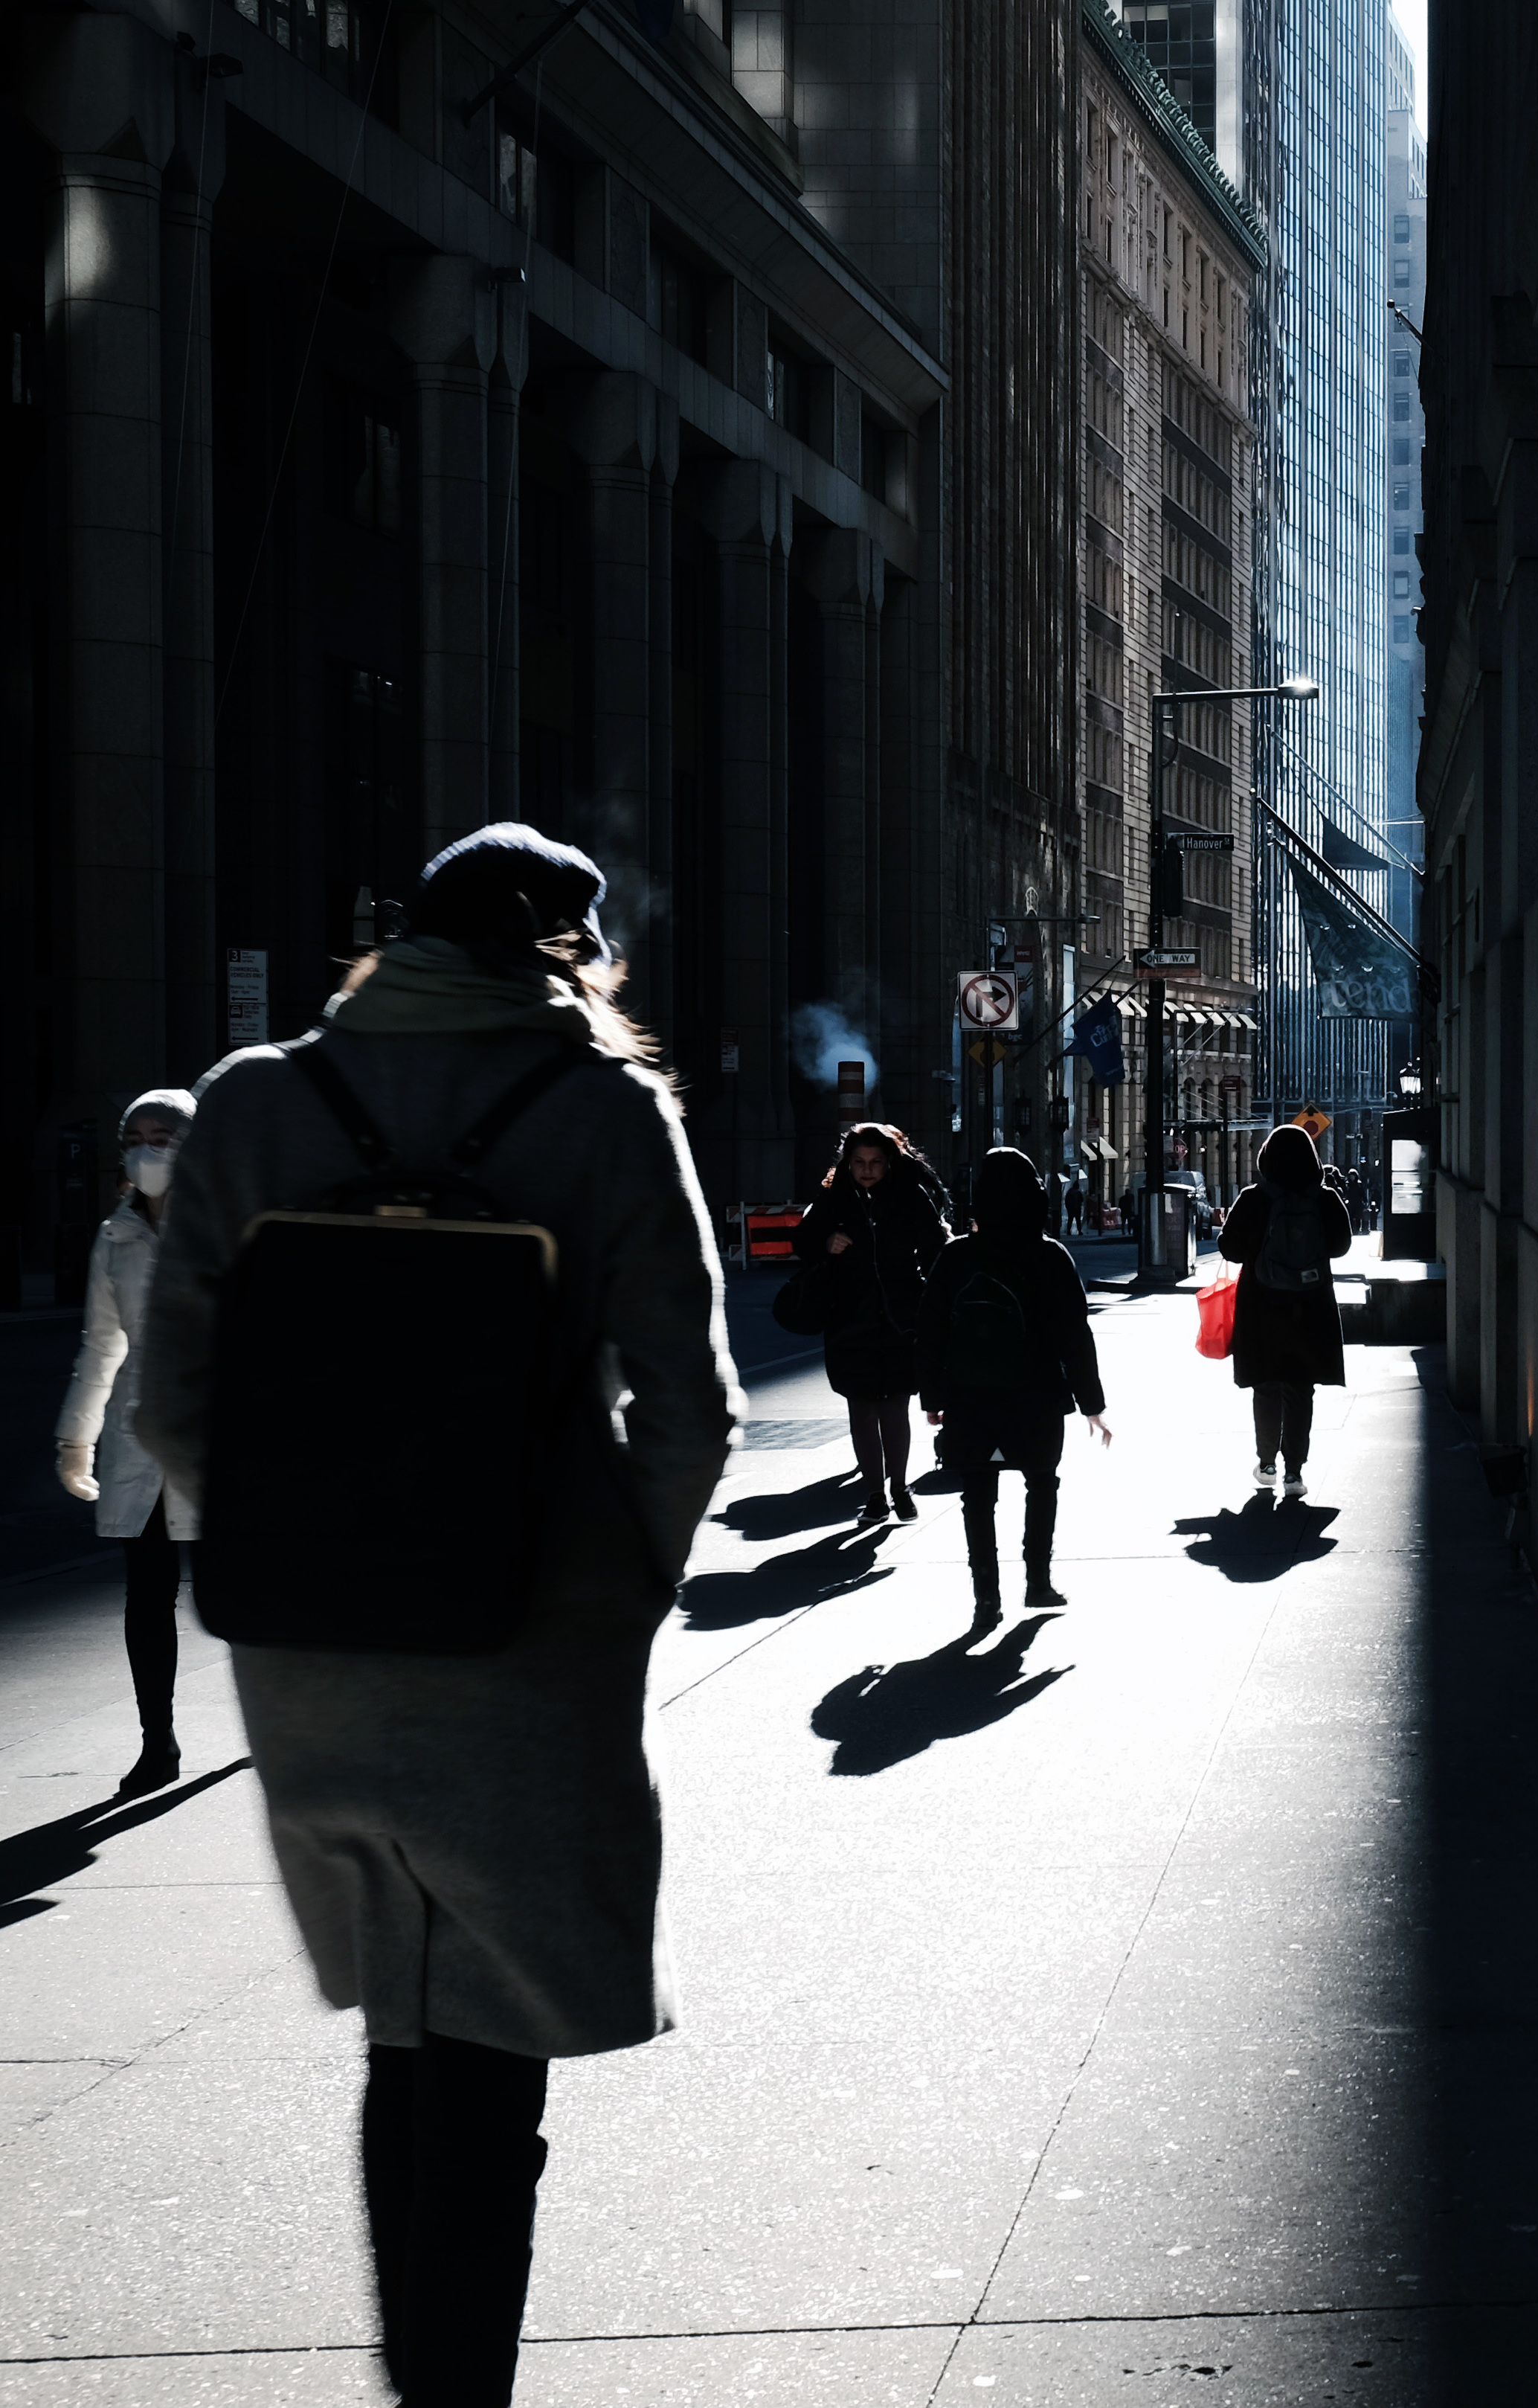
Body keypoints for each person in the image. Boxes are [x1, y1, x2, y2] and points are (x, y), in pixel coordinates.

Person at [134, 823, 738, 2408]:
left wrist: (287, 1546)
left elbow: (173, 1395)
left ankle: (427, 2379)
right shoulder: (601, 1109)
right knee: (491, 2028)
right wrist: (623, 1585)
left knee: (400, 2017)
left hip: (311, 1644)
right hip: (528, 1630)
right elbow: (691, 1404)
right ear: (567, 954)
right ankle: (458, 2388)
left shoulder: (257, 1098)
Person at [52, 1087, 205, 1794]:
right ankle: (157, 1741)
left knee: (238, 1592)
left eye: (163, 1138)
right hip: (140, 1432)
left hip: (217, 1427)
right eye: (136, 1138)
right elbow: (100, 1345)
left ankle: (271, 1724)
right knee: (148, 1594)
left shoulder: (228, 1222)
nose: (148, 1151)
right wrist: (75, 1438)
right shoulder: (115, 1235)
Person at [918, 1147, 1110, 1622]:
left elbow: (931, 1330)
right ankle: (1038, 1582)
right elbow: (1075, 1335)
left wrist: (933, 1396)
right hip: (1036, 1393)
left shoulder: (956, 1256)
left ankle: (986, 1596)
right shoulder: (1050, 1256)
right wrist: (1092, 1403)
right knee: (1041, 1482)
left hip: (970, 1392)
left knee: (977, 1492)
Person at [795, 1123, 950, 1524]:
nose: (867, 1170)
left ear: (889, 1163)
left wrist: (931, 1297)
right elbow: (803, 1241)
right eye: (859, 1162)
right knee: (861, 1410)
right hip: (849, 1318)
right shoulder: (834, 1197)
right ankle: (875, 1495)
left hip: (900, 1318)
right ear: (848, 1163)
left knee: (895, 1408)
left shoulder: (909, 1194)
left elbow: (936, 1249)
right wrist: (827, 1243)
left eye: (875, 1162)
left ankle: (899, 1488)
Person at [1217, 1123, 1350, 1497]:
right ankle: (1295, 1471)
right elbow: (1341, 1245)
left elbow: (1230, 1248)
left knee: (1266, 1386)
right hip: (1310, 1306)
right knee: (1300, 1388)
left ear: (1267, 1159)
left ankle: (1267, 1463)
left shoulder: (1253, 1199)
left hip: (1262, 1306)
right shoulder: (1324, 1199)